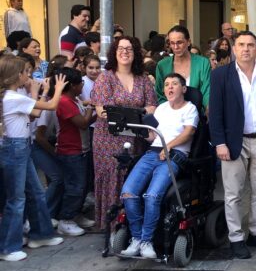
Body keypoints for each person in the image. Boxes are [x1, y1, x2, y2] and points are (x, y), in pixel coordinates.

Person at [209, 31, 256, 259]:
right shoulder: (221, 75)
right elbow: (215, 112)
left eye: (250, 45)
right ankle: (235, 238)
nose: (246, 49)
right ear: (234, 49)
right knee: (233, 194)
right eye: (241, 44)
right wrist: (219, 143)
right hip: (234, 142)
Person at [119, 73, 199, 259]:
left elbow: (188, 133)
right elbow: (153, 136)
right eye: (167, 84)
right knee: (128, 192)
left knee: (152, 196)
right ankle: (136, 238)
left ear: (183, 89)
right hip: (153, 153)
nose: (170, 87)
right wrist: (138, 130)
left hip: (175, 155)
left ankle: (147, 241)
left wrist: (168, 146)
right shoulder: (161, 108)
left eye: (174, 84)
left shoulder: (190, 108)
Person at [0, 57, 68, 261]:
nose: (28, 76)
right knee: (16, 199)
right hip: (15, 149)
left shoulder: (15, 97)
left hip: (21, 147)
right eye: (25, 72)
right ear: (16, 76)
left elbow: (34, 114)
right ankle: (7, 247)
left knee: (36, 192)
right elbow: (52, 106)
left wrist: (40, 92)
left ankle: (41, 234)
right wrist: (58, 88)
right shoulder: (13, 97)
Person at [91, 37, 157, 229]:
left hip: (136, 138)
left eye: (129, 49)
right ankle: (112, 226)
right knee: (113, 178)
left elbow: (152, 106)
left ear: (135, 53)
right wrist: (136, 114)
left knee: (132, 177)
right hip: (108, 139)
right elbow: (102, 111)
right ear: (114, 52)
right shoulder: (106, 77)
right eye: (121, 48)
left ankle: (132, 224)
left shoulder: (143, 78)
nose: (125, 52)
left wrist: (124, 114)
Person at [50, 67, 96, 237]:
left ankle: (75, 214)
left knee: (82, 185)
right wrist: (91, 106)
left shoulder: (74, 100)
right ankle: (66, 219)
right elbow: (82, 123)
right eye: (80, 83)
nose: (82, 86)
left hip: (81, 149)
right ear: (72, 86)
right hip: (71, 151)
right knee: (75, 187)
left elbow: (85, 121)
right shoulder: (64, 102)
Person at [154, 25, 211, 109]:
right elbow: (159, 94)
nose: (176, 47)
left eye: (179, 42)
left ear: (188, 42)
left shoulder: (202, 63)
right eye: (172, 43)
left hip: (198, 112)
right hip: (170, 113)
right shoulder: (162, 65)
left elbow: (207, 91)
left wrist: (207, 108)